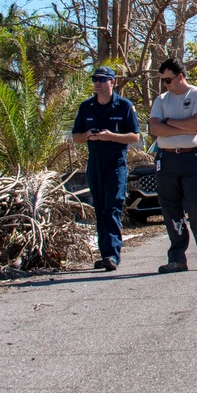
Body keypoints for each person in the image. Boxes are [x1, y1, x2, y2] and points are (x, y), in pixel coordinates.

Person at [71, 66, 140, 271]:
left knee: (113, 206)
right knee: (100, 208)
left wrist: (112, 136)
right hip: (95, 162)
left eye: (102, 79)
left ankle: (112, 254)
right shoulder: (86, 107)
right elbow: (76, 137)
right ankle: (106, 253)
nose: (98, 83)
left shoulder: (124, 106)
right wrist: (89, 135)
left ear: (112, 82)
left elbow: (135, 137)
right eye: (95, 79)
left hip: (116, 162)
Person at [148, 57, 197, 273]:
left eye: (168, 80)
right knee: (170, 210)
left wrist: (169, 122)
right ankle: (177, 258)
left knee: (196, 205)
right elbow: (155, 129)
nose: (165, 84)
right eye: (163, 81)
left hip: (193, 158)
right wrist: (179, 127)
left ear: (180, 77)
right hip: (166, 159)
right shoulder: (161, 100)